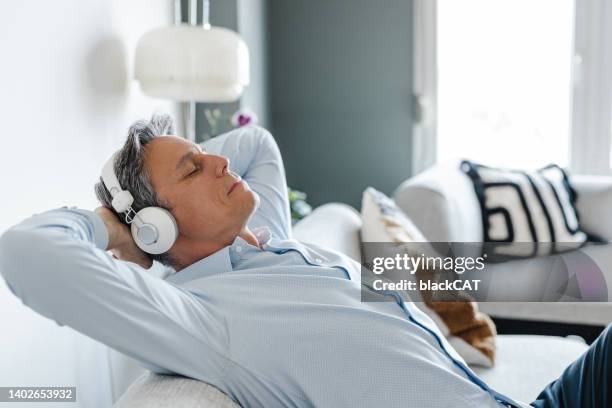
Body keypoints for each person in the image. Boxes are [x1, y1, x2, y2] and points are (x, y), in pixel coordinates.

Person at [0, 114, 609, 408]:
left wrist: (167, 182)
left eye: (201, 154)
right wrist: (114, 224)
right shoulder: (203, 319)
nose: (218, 162)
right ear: (157, 228)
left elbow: (254, 142)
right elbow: (24, 251)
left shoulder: (260, 233)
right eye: (191, 168)